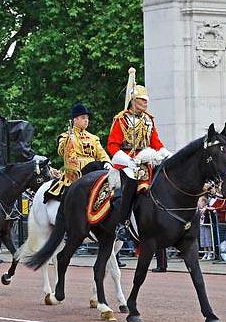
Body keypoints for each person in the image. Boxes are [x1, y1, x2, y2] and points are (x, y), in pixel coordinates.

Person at [106, 67, 170, 223]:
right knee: (129, 185)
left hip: (147, 160)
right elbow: (112, 146)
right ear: (133, 100)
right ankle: (122, 222)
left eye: (146, 100)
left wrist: (166, 154)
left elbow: (156, 142)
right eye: (142, 100)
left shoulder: (149, 120)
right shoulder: (121, 119)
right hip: (127, 162)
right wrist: (128, 161)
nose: (145, 103)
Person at [45, 101, 110, 201]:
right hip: (76, 171)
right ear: (75, 120)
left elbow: (101, 153)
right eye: (83, 118)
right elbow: (61, 151)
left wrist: (107, 162)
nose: (86, 120)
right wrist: (68, 140)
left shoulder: (93, 138)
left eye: (87, 118)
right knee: (95, 165)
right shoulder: (66, 136)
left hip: (94, 169)